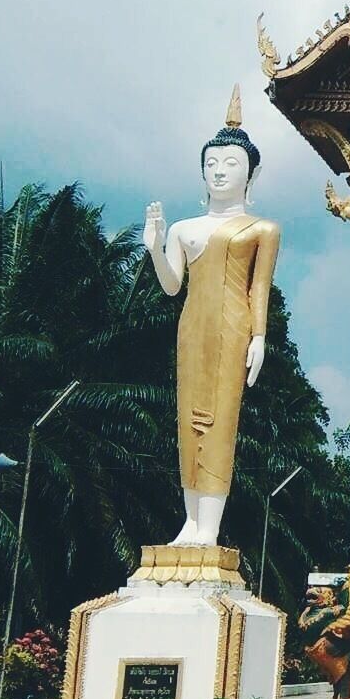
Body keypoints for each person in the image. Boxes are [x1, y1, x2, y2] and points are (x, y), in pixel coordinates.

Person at [144, 87, 280, 546]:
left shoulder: (262, 229)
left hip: (234, 326)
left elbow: (258, 287)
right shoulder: (183, 229)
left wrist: (259, 336)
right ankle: (189, 523)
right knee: (188, 419)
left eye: (231, 165)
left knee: (220, 419)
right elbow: (171, 285)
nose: (220, 172)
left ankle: (210, 527)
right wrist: (155, 247)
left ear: (251, 173)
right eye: (212, 165)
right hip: (192, 326)